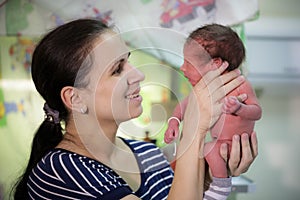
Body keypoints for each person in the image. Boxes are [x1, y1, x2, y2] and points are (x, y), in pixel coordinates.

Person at [12, 19, 257, 199]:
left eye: (128, 60)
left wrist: (217, 174)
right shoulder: (61, 171)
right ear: (75, 98)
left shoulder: (147, 153)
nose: (138, 74)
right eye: (117, 69)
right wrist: (194, 127)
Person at [164, 24, 262, 178]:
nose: (182, 68)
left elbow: (257, 112)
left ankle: (220, 186)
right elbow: (184, 105)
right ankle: (214, 185)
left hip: (237, 145)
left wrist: (239, 108)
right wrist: (174, 120)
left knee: (210, 151)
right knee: (207, 152)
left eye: (188, 63)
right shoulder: (205, 90)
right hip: (218, 144)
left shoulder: (239, 84)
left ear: (215, 64)